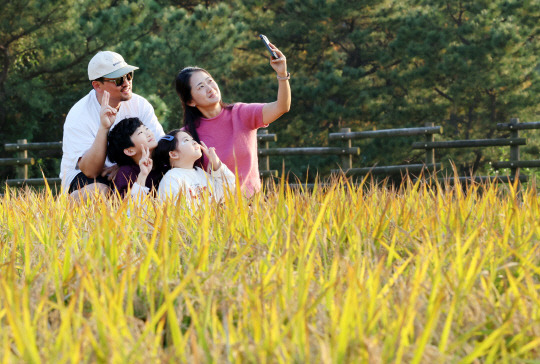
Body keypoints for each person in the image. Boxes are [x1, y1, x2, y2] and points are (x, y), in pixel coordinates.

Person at [174, 41, 291, 197]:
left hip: (252, 205)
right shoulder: (186, 136)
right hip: (214, 210)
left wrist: (282, 75)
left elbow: (281, 107)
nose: (210, 89)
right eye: (201, 87)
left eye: (210, 81)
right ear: (190, 101)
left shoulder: (241, 113)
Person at [60, 50, 164, 199]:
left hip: (133, 167)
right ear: (97, 85)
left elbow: (160, 145)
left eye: (129, 75)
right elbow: (90, 171)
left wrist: (123, 167)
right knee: (99, 191)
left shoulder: (141, 105)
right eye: (118, 80)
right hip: (88, 176)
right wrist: (104, 128)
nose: (127, 83)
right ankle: (69, 204)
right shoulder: (79, 115)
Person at [152, 130, 235, 210]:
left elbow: (227, 191)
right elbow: (176, 213)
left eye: (192, 139)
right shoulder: (171, 179)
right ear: (174, 154)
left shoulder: (201, 173)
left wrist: (216, 164)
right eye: (186, 140)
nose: (195, 142)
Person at [107, 117, 161, 198]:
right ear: (130, 151)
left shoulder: (165, 161)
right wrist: (142, 175)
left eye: (146, 129)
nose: (149, 133)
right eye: (141, 133)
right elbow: (127, 206)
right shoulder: (126, 173)